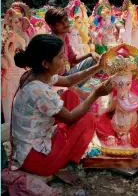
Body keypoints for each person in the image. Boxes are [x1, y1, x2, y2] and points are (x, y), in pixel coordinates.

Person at [10, 34, 112, 185]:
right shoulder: (40, 92)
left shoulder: (32, 75)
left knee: (70, 95)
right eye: (60, 56)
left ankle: (62, 151)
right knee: (88, 119)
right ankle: (58, 164)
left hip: (25, 148)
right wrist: (96, 94)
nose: (64, 59)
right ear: (46, 63)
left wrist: (98, 66)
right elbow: (70, 117)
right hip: (35, 159)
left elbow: (70, 80)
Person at [45, 7, 101, 90]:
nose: (65, 24)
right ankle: (73, 91)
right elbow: (51, 75)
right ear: (52, 26)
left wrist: (90, 54)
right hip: (57, 80)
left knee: (94, 59)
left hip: (65, 75)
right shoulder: (52, 42)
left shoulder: (65, 37)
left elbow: (73, 59)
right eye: (60, 23)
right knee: (93, 62)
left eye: (66, 20)